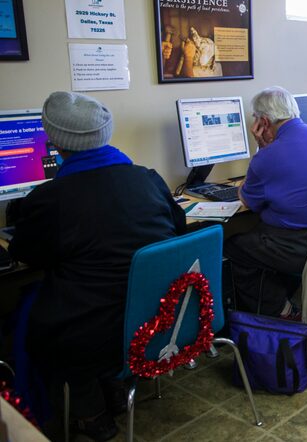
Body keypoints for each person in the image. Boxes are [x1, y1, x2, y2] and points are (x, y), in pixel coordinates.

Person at [9, 92, 186, 441]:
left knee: (30, 313)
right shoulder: (147, 178)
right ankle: (113, 387)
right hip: (156, 320)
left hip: (91, 332)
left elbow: (25, 252)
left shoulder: (52, 199)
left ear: (55, 143)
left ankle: (91, 414)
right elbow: (178, 229)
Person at [225, 86, 307, 318]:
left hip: (300, 245)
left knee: (234, 249)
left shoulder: (268, 157)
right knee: (257, 239)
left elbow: (246, 199)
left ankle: (281, 311)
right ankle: (286, 301)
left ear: (264, 122)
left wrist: (262, 149)